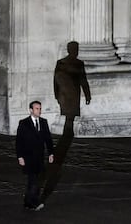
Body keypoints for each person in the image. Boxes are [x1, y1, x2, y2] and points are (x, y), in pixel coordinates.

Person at [40, 41, 91, 204]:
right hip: (71, 95)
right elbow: (82, 80)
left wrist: (57, 95)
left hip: (65, 95)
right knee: (69, 117)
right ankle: (67, 135)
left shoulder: (62, 63)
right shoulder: (76, 63)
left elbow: (56, 81)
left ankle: (67, 134)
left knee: (69, 117)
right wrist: (87, 94)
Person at [16, 100, 54, 211]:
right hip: (28, 157)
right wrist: (20, 156)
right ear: (31, 110)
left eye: (40, 108)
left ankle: (28, 202)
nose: (39, 111)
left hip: (39, 157)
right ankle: (33, 202)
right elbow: (19, 141)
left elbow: (48, 139)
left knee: (35, 180)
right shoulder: (24, 123)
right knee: (33, 180)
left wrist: (51, 153)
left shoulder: (43, 122)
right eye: (37, 109)